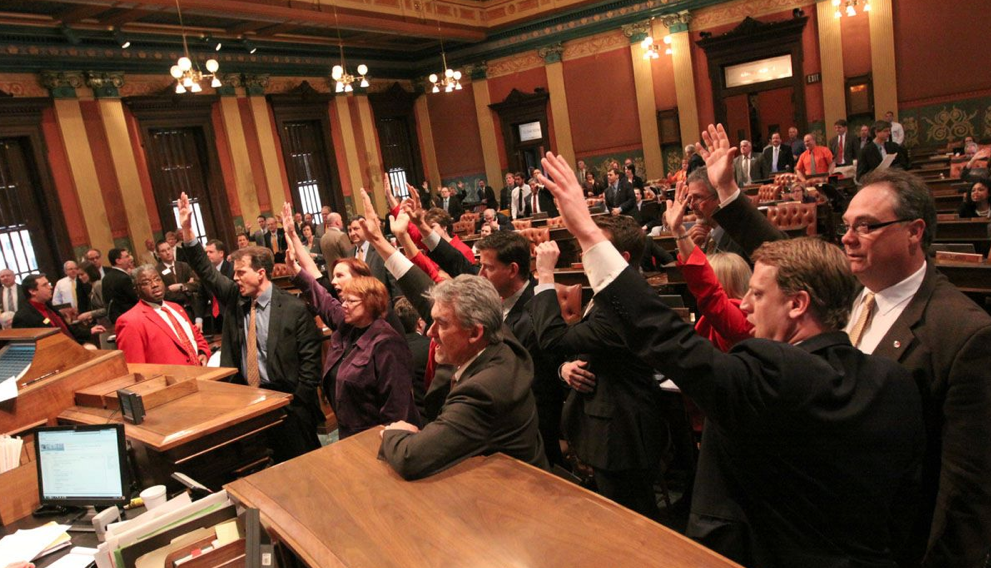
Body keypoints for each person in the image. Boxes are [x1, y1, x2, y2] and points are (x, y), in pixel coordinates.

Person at [535, 149, 926, 567]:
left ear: (797, 304)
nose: (745, 306)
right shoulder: (893, 379)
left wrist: (589, 234)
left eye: (757, 295)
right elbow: (907, 505)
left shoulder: (772, 375)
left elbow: (665, 335)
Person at [690, 124, 991, 568]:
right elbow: (785, 253)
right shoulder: (849, 288)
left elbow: (964, 492)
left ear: (914, 231)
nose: (847, 237)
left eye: (866, 227)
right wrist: (728, 191)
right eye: (847, 225)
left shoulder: (963, 333)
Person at [529, 215, 668, 519]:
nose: (583, 254)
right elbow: (581, 346)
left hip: (621, 433)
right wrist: (565, 367)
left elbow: (552, 339)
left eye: (593, 246)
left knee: (632, 522)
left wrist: (544, 274)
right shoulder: (613, 293)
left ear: (622, 257)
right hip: (610, 425)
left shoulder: (623, 306)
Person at [177, 192, 322, 463]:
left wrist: (296, 401)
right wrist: (188, 232)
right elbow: (207, 273)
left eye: (241, 272)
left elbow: (311, 364)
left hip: (289, 404)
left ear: (261, 273)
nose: (235, 278)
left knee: (305, 468)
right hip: (249, 403)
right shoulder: (236, 298)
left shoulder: (293, 308)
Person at [378, 275, 549, 480]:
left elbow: (410, 458)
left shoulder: (483, 392)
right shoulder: (496, 337)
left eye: (441, 324)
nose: (430, 332)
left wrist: (394, 432)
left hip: (517, 493)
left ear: (475, 333)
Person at [282, 203, 419, 439]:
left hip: (378, 439)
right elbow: (320, 295)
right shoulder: (347, 323)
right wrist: (294, 262)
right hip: (350, 434)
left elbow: (397, 410)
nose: (341, 303)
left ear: (368, 299)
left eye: (349, 300)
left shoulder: (386, 340)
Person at [115, 265, 210, 365]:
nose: (155, 284)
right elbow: (135, 366)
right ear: (136, 290)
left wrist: (203, 352)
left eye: (157, 279)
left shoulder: (176, 307)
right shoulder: (130, 321)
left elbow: (196, 335)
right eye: (146, 283)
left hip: (199, 372)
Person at [13, 274, 105, 344]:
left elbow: (66, 330)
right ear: (32, 291)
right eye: (45, 285)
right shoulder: (23, 317)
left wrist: (90, 331)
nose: (50, 287)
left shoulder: (48, 306)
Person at [155, 240, 201, 326]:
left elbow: (198, 284)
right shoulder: (157, 271)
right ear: (158, 254)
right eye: (163, 251)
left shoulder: (184, 266)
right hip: (172, 311)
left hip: (190, 309)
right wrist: (188, 290)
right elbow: (164, 293)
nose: (168, 252)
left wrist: (181, 286)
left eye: (169, 249)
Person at [103, 248, 138, 325]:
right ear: (118, 261)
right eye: (126, 256)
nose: (130, 258)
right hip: (129, 318)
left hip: (116, 319)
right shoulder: (124, 278)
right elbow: (135, 298)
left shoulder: (106, 277)